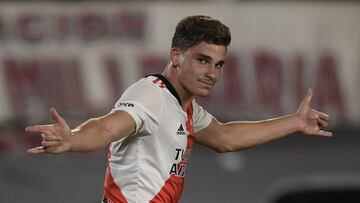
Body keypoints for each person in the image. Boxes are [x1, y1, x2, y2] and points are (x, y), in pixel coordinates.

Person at [25, 15, 332, 203]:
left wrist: (294, 122)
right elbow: (107, 127)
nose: (212, 72)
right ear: (176, 56)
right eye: (202, 60)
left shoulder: (184, 106)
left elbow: (225, 137)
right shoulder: (151, 96)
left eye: (219, 64)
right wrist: (73, 139)